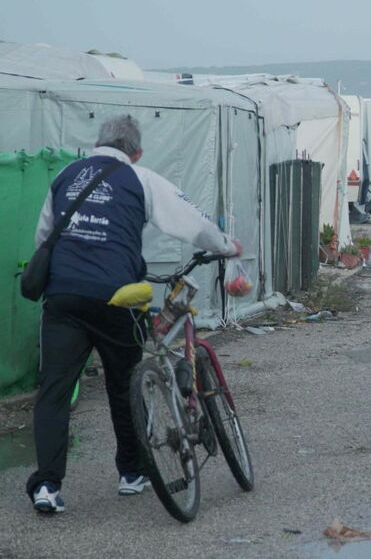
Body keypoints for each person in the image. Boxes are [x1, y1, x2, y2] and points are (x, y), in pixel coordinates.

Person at [26, 115, 241, 513]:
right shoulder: (140, 178)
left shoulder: (66, 176)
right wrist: (226, 245)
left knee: (54, 391)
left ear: (98, 143)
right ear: (137, 151)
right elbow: (189, 220)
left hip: (64, 296)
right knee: (125, 385)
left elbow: (44, 237)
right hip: (116, 297)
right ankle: (131, 472)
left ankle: (47, 487)